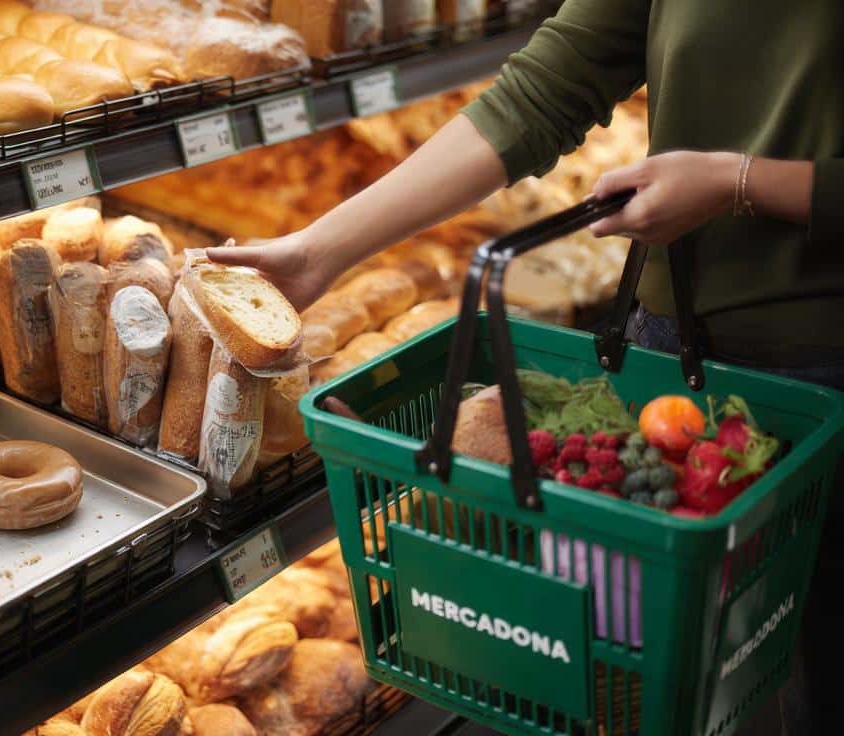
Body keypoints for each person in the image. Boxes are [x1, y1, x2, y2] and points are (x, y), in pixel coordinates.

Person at [207, 0, 841, 732]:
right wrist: (321, 251)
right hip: (668, 366)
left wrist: (743, 182)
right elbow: (546, 86)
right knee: (637, 690)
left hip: (826, 372)